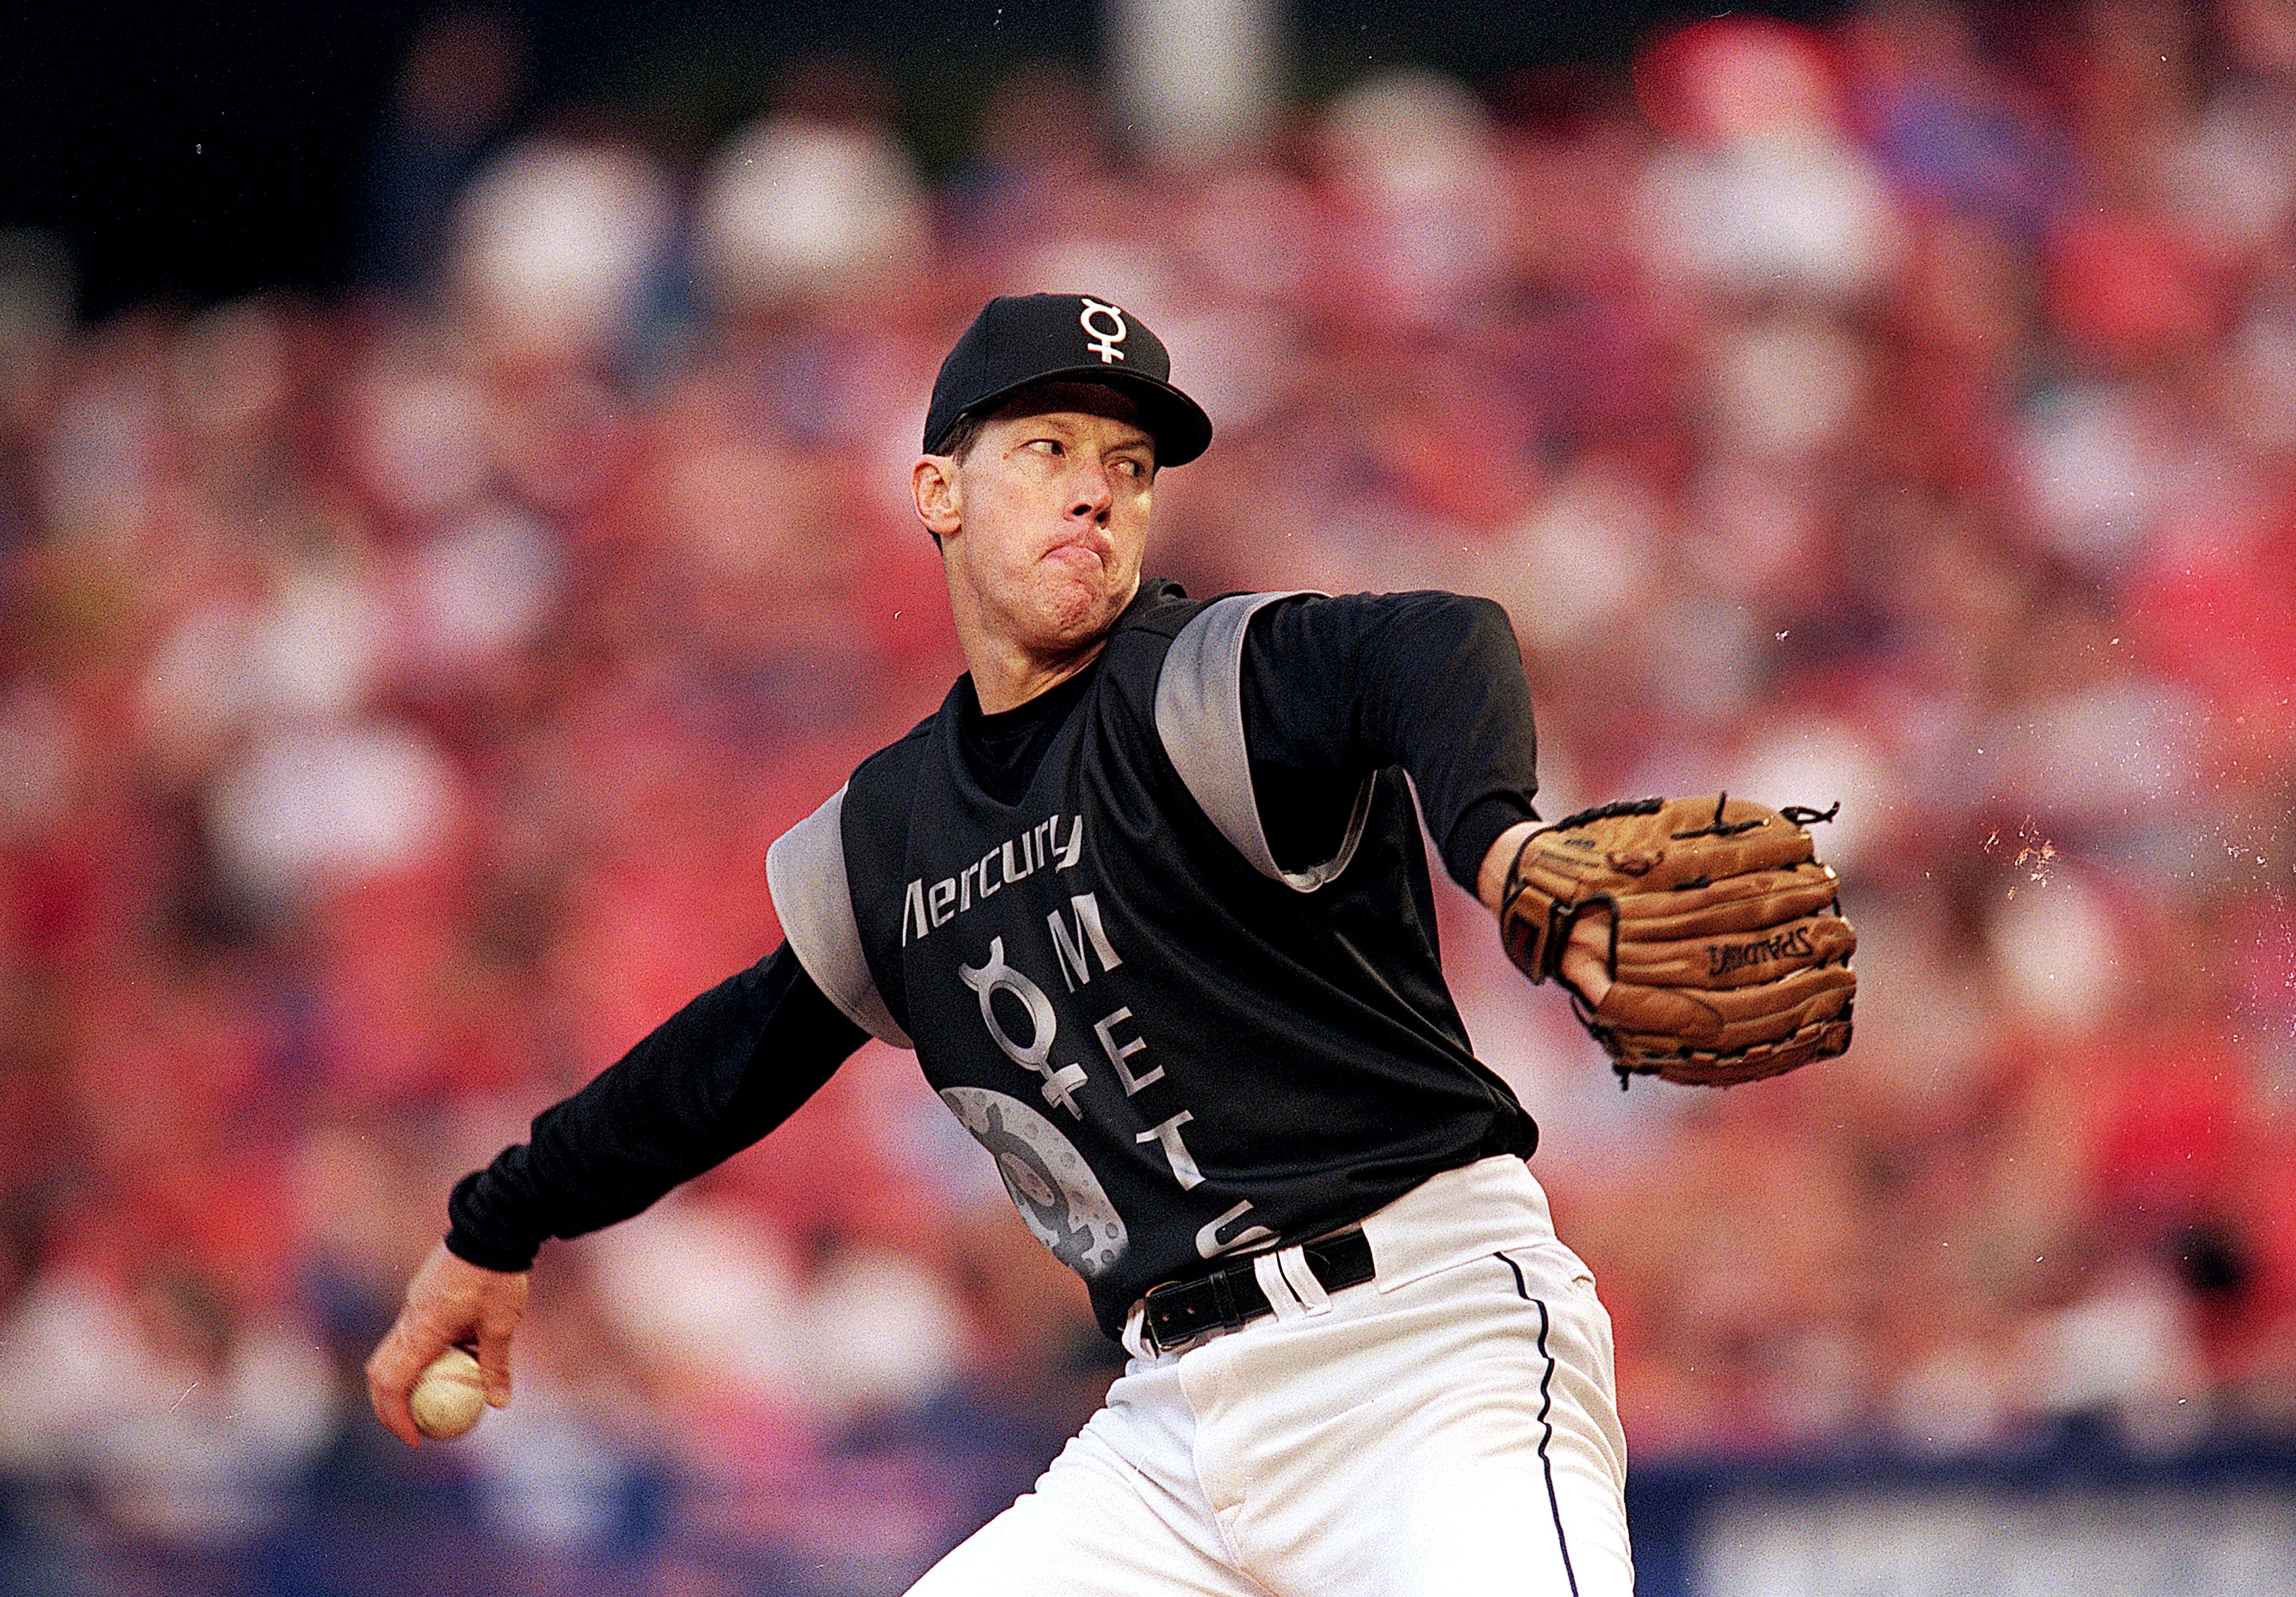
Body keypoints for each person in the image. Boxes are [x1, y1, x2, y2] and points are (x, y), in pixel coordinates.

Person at [367, 293, 1635, 1595]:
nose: (1097, 492)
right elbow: (736, 1053)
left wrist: (1499, 842)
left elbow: (1438, 640)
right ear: (939, 491)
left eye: (1129, 467)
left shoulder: (1200, 688)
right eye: (1048, 449)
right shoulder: (897, 833)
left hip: (1427, 1358)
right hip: (1169, 1432)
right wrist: (497, 1223)